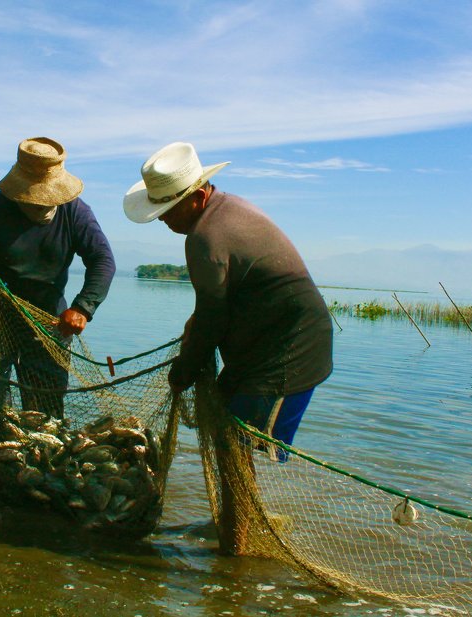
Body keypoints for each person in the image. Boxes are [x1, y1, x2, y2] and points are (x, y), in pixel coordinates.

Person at [123, 142, 333, 551]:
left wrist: (183, 370)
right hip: (260, 345)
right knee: (229, 440)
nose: (164, 219)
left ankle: (235, 544)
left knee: (233, 443)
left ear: (198, 196)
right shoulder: (228, 209)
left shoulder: (205, 237)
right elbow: (213, 307)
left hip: (288, 352)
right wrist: (194, 341)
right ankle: (240, 530)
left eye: (169, 208)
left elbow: (212, 318)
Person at [0, 137, 116, 472]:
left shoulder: (75, 212)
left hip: (49, 325)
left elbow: (102, 260)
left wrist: (83, 307)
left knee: (45, 414)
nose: (42, 206)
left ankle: (42, 476)